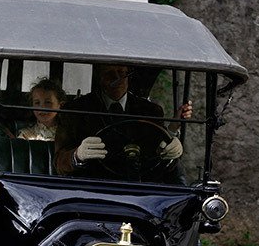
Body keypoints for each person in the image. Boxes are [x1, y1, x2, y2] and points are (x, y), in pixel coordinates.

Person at [55, 64, 192, 181]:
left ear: (128, 76)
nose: (117, 79)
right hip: (91, 187)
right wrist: (77, 155)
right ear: (100, 77)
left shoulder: (150, 111)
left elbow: (157, 152)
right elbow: (59, 163)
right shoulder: (75, 110)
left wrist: (171, 144)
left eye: (121, 73)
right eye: (109, 74)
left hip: (138, 187)